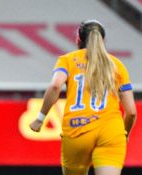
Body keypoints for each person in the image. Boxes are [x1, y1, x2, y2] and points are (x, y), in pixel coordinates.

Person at [29, 20, 137, 175]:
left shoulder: (67, 60)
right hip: (111, 131)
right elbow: (131, 112)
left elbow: (55, 86)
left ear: (78, 39)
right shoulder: (116, 65)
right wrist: (124, 133)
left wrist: (40, 118)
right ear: (103, 40)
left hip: (77, 128)